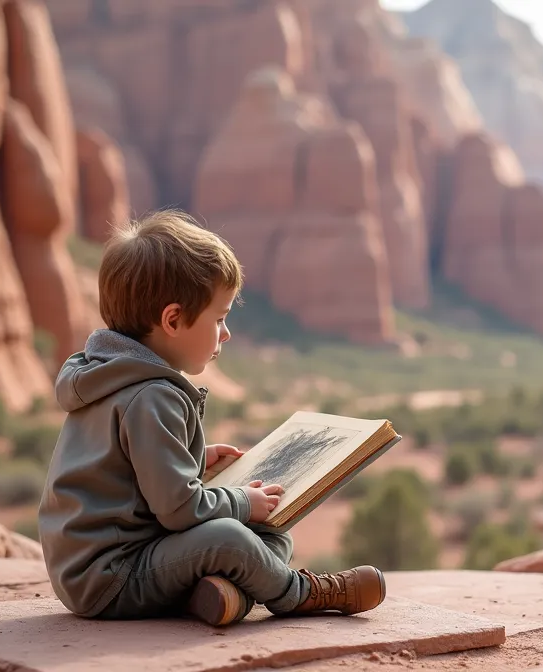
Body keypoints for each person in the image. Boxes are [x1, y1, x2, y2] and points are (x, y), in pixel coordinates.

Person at [37, 209, 385, 627]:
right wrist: (240, 500)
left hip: (96, 568)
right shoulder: (151, 395)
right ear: (173, 319)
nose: (226, 333)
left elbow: (122, 477)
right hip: (112, 577)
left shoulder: (107, 373)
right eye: (219, 319)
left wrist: (194, 463)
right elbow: (180, 511)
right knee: (233, 538)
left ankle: (223, 597)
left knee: (273, 531)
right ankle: (299, 593)